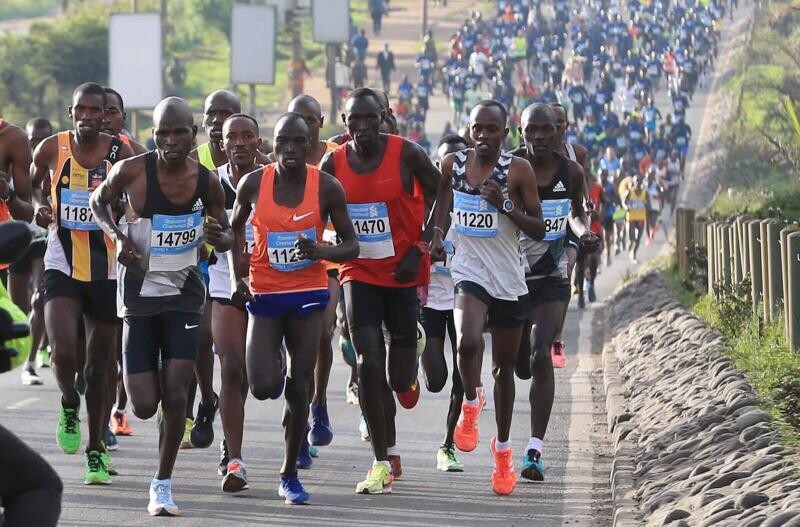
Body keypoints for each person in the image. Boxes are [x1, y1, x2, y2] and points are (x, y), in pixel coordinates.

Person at [90, 96, 233, 515]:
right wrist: (117, 236)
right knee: (144, 403)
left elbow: (227, 234)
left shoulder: (207, 182)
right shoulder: (131, 171)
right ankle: (156, 393)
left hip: (184, 297)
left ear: (193, 135)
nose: (170, 141)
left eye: (179, 133)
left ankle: (162, 482)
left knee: (175, 393)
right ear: (153, 136)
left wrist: (219, 238)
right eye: (162, 134)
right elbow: (98, 201)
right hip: (139, 297)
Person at [229, 112, 359, 504]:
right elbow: (234, 230)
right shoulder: (253, 183)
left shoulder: (327, 187)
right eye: (282, 141)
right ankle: (278, 359)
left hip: (308, 293)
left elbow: (351, 246)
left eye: (297, 142)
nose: (289, 149)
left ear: (309, 145)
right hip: (266, 294)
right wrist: (236, 277)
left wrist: (321, 251)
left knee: (300, 387)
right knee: (262, 385)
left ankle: (289, 475)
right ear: (272, 145)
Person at [319, 88, 440, 495]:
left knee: (398, 378)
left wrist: (423, 244)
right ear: (344, 121)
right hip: (358, 271)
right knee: (368, 363)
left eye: (370, 118)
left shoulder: (406, 153)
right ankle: (381, 460)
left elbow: (442, 192)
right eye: (355, 119)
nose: (363, 126)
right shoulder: (333, 162)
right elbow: (316, 209)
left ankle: (410, 351)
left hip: (403, 271)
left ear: (384, 116)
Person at [431, 100, 546, 496]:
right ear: (469, 131)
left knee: (503, 371)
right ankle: (470, 401)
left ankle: (503, 453)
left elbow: (539, 228)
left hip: (509, 279)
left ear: (504, 133)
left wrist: (505, 205)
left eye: (491, 129)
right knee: (466, 342)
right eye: (477, 128)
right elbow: (442, 202)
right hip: (469, 272)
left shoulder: (518, 170)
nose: (482, 135)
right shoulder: (454, 165)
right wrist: (437, 234)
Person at [30, 83, 134, 484]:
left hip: (107, 269)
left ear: (105, 114)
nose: (88, 116)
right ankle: (69, 402)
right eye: (81, 110)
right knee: (62, 350)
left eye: (96, 110)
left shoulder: (121, 152)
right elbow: (34, 187)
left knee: (99, 365)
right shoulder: (52, 149)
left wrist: (125, 213)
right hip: (62, 263)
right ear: (70, 112)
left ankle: (96, 450)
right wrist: (41, 207)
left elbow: (141, 195)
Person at [510, 103, 599, 484]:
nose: (540, 136)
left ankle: (534, 449)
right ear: (521, 132)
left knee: (540, 355)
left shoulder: (571, 170)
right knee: (518, 365)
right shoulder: (510, 166)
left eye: (547, 129)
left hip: (551, 274)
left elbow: (577, 212)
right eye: (532, 130)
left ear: (559, 131)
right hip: (511, 275)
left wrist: (583, 232)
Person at [284, 94, 344, 466]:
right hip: (288, 263)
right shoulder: (281, 156)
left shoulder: (335, 156)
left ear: (320, 122)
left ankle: (318, 403)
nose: (304, 126)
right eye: (297, 118)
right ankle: (299, 423)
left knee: (322, 331)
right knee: (295, 350)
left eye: (310, 119)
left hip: (329, 258)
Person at [207, 113, 263, 491]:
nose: (239, 143)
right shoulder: (210, 184)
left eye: (247, 136)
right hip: (224, 283)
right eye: (232, 137)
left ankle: (232, 433)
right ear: (222, 143)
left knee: (255, 376)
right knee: (230, 368)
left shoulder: (272, 179)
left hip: (269, 283)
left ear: (258, 141)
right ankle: (235, 459)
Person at [421, 134, 474, 473]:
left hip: (463, 298)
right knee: (435, 380)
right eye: (445, 164)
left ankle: (447, 445)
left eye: (458, 162)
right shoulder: (424, 205)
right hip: (430, 301)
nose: (452, 170)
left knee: (461, 374)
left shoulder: (474, 205)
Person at [102, 88, 145, 438]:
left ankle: (117, 411)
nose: (103, 118)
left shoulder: (136, 155)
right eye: (98, 111)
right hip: (82, 264)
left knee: (118, 347)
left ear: (122, 117)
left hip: (124, 263)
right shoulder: (72, 150)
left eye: (111, 112)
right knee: (93, 352)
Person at [549, 103, 589, 368]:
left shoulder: (578, 153)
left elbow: (582, 185)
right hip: (539, 223)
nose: (555, 127)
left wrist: (586, 205)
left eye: (560, 121)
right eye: (550, 122)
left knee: (565, 270)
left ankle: (557, 337)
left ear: (566, 125)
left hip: (568, 221)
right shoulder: (526, 155)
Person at [102, 88, 148, 155]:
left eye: (112, 113)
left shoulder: (140, 154)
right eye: (100, 113)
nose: (105, 120)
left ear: (123, 118)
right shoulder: (84, 151)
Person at [622, 172, 648, 263]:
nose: (638, 183)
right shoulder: (629, 192)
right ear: (633, 182)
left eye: (639, 181)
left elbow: (648, 205)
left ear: (642, 182)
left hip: (641, 218)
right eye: (636, 181)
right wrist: (626, 207)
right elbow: (624, 202)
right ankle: (630, 247)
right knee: (632, 238)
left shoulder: (645, 193)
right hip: (631, 218)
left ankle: (634, 254)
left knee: (638, 239)